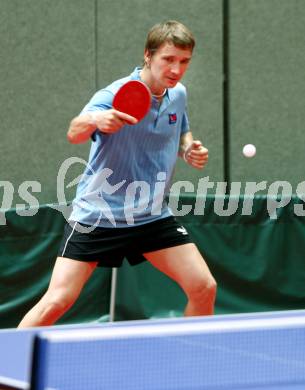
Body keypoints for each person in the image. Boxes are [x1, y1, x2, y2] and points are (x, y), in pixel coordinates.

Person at [18, 20, 216, 328]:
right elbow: (74, 132)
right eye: (169, 59)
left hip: (151, 216)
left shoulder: (177, 94)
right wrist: (97, 119)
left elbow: (181, 129)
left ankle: (194, 359)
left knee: (204, 287)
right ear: (148, 56)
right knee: (57, 302)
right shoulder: (114, 94)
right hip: (99, 214)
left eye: (184, 61)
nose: (176, 69)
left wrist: (188, 148)